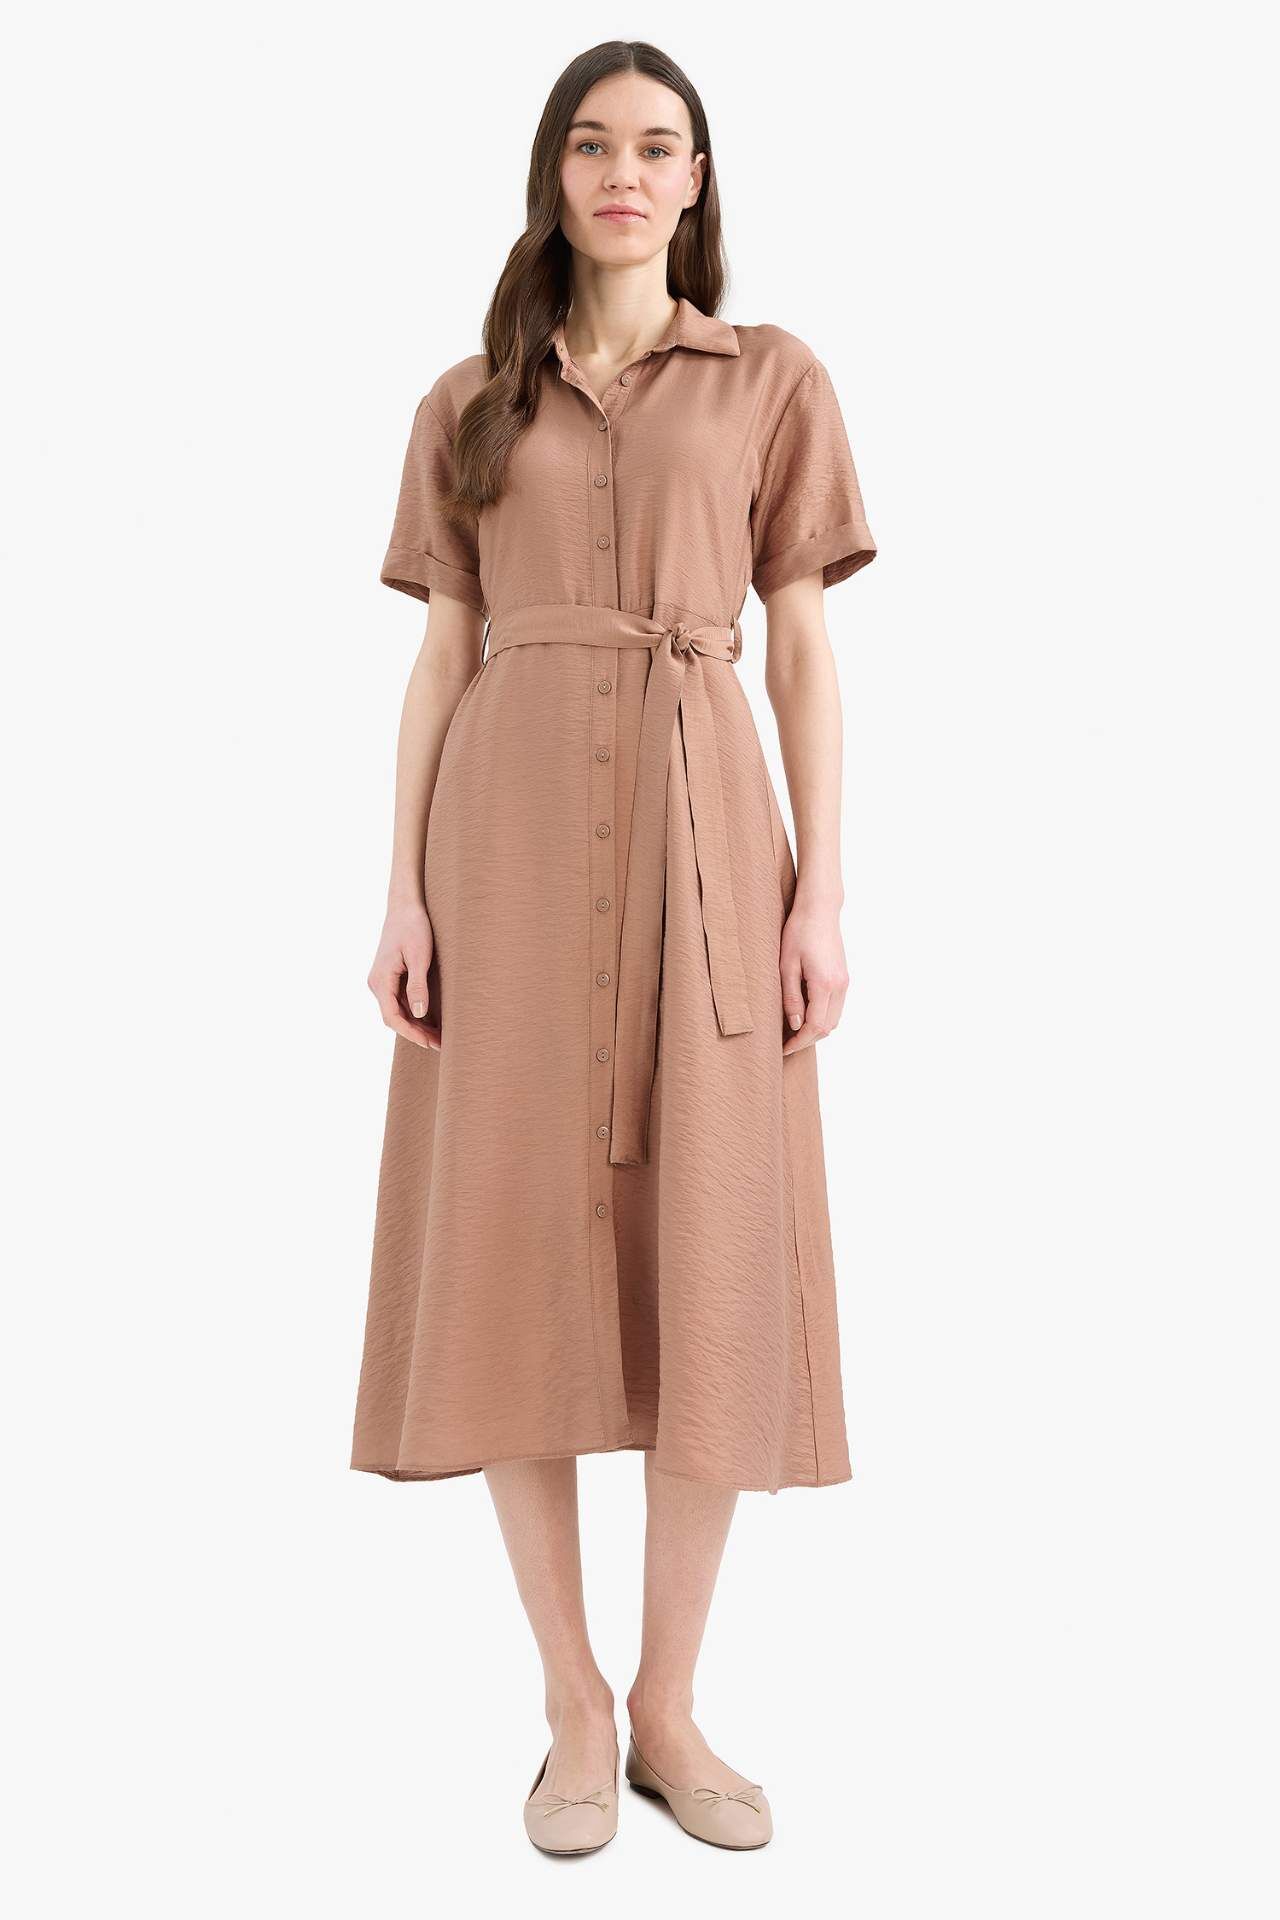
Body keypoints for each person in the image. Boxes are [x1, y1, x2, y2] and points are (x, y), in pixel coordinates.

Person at [350, 38, 877, 1855]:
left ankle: (669, 1701)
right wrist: (402, 890)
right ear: (554, 174)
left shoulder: (773, 380)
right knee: (515, 1245)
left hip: (708, 827)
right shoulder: (466, 401)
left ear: (699, 178)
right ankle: (572, 1700)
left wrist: (821, 891)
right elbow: (441, 655)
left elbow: (800, 647)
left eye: (659, 146)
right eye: (593, 144)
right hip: (502, 843)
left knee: (709, 1247)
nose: (626, 173)